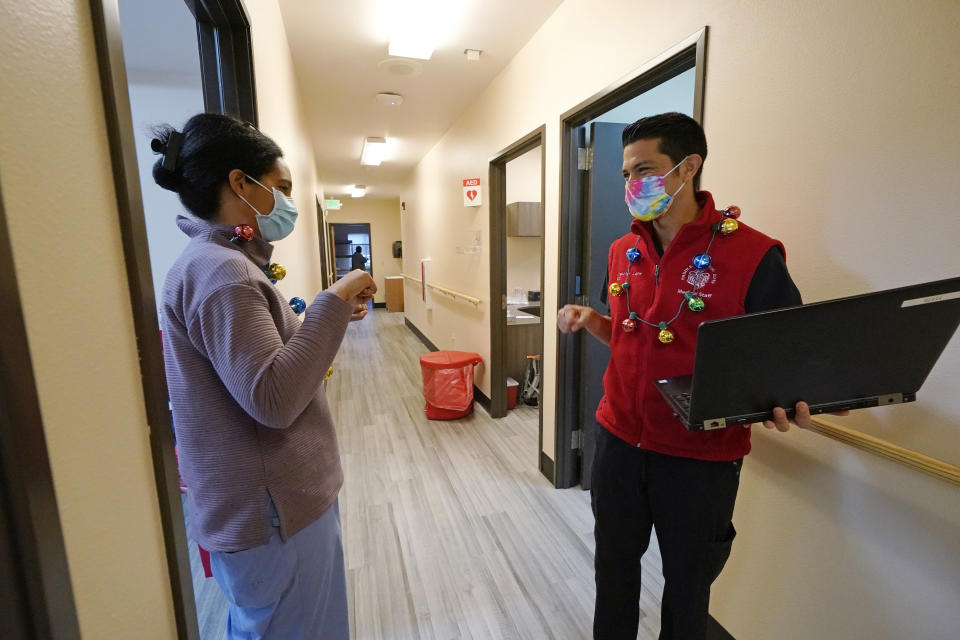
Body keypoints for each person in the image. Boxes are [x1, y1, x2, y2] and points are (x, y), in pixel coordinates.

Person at [557, 112, 847, 640]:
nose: (630, 185)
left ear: (688, 167)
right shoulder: (625, 251)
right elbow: (630, 333)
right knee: (613, 574)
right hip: (619, 442)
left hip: (700, 460)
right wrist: (591, 320)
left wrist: (800, 398)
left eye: (643, 170)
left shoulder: (753, 254)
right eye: (625, 174)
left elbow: (793, 354)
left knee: (688, 589)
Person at [154, 113, 375, 639]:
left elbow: (267, 366)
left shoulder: (216, 262)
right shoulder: (224, 272)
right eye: (280, 188)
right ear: (240, 183)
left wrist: (330, 316)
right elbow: (274, 399)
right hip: (276, 512)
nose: (287, 202)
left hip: (263, 508)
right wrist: (333, 300)